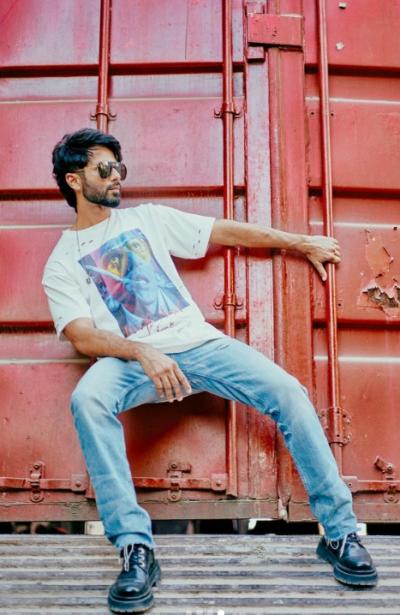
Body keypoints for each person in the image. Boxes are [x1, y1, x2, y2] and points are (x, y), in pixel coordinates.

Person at [43, 127, 377, 614]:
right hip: (129, 363)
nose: (117, 176)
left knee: (288, 392)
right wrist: (142, 352)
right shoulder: (62, 261)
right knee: (88, 399)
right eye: (105, 168)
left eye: (120, 167)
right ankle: (135, 549)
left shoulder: (147, 219)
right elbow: (80, 335)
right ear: (74, 180)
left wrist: (299, 242)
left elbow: (225, 231)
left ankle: (340, 534)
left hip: (200, 345)